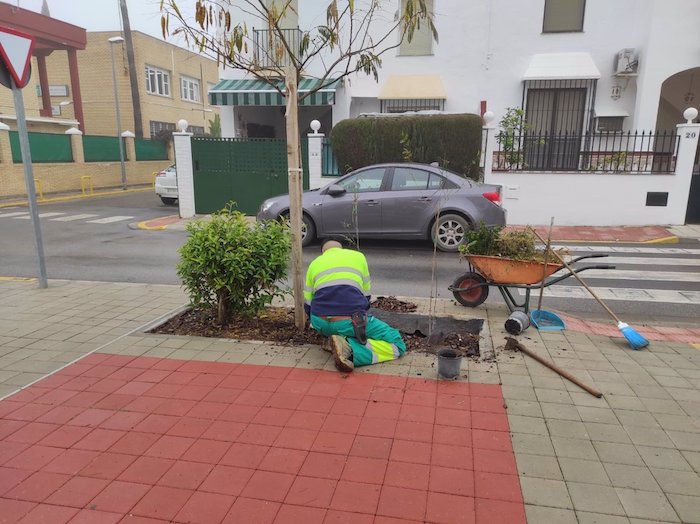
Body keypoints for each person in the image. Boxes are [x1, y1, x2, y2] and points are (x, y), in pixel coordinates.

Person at [304, 240, 406, 372]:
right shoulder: (358, 257)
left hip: (320, 323)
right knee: (398, 345)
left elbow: (308, 303)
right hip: (349, 322)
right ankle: (351, 350)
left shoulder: (314, 263)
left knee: (338, 326)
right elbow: (366, 296)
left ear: (323, 252)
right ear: (341, 248)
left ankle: (333, 338)